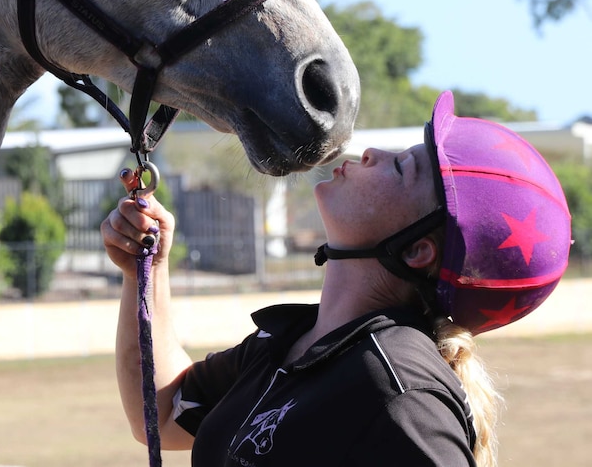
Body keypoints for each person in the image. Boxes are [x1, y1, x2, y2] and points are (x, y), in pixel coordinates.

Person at [101, 91, 572, 467]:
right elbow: (161, 415)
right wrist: (147, 272)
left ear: (416, 249)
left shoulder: (398, 388)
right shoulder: (293, 341)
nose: (372, 153)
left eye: (402, 166)